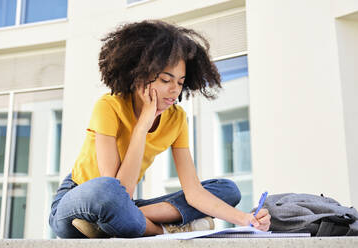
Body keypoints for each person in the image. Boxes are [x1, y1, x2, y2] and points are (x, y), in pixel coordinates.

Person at [49, 20, 271, 239]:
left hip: (122, 205)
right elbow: (118, 190)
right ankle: (161, 230)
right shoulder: (109, 106)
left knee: (227, 190)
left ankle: (115, 223)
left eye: (181, 82)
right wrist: (142, 126)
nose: (175, 91)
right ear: (139, 75)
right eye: (166, 80)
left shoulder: (176, 119)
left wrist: (245, 219)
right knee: (108, 192)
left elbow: (193, 192)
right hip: (78, 200)